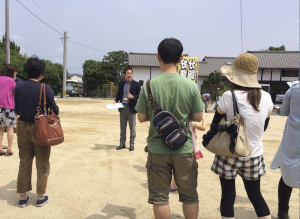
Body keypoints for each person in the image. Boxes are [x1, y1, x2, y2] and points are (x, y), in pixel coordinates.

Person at [135, 38, 204, 219]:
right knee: (189, 195)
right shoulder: (190, 85)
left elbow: (141, 117)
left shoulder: (148, 85)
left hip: (158, 149)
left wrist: (159, 117)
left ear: (158, 56)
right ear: (181, 58)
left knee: (160, 198)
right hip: (184, 147)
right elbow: (198, 117)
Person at [210, 53, 273, 219]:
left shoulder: (228, 97)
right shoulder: (266, 98)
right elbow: (263, 127)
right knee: (255, 195)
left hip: (229, 152)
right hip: (254, 153)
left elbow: (215, 125)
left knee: (228, 196)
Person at [14, 55, 59, 208]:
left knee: (24, 162)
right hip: (40, 128)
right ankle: (40, 196)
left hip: (21, 126)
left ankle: (22, 197)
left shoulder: (18, 86)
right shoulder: (45, 88)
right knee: (42, 162)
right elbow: (55, 109)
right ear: (41, 73)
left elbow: (17, 109)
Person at [270, 81, 299, 219]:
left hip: (293, 139)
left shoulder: (294, 89)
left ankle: (283, 211)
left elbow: (284, 111)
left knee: (287, 175)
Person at [170, 116, 207, 192]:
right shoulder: (190, 121)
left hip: (179, 146)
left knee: (179, 166)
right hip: (189, 148)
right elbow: (203, 128)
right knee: (186, 167)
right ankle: (175, 184)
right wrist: (203, 118)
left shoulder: (178, 119)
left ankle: (175, 184)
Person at [114, 67, 141, 151]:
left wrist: (133, 97)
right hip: (122, 107)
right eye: (128, 73)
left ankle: (132, 144)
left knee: (132, 127)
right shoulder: (121, 83)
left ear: (132, 74)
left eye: (131, 73)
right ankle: (122, 144)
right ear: (124, 75)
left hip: (131, 108)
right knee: (122, 127)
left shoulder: (136, 84)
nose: (129, 75)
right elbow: (119, 94)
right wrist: (115, 101)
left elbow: (140, 95)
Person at [0, 64, 17, 156]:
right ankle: (9, 148)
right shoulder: (11, 81)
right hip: (9, 107)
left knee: (0, 129)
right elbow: (16, 92)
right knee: (10, 129)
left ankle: (0, 148)